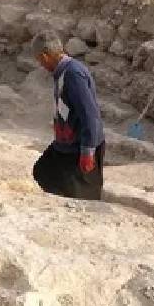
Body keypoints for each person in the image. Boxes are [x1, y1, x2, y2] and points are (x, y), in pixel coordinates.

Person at [30, 32, 105, 200]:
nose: (41, 65)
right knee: (43, 172)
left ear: (45, 56)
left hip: (80, 146)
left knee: (83, 196)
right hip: (66, 143)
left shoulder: (73, 74)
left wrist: (88, 151)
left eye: (40, 60)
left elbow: (90, 114)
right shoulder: (62, 72)